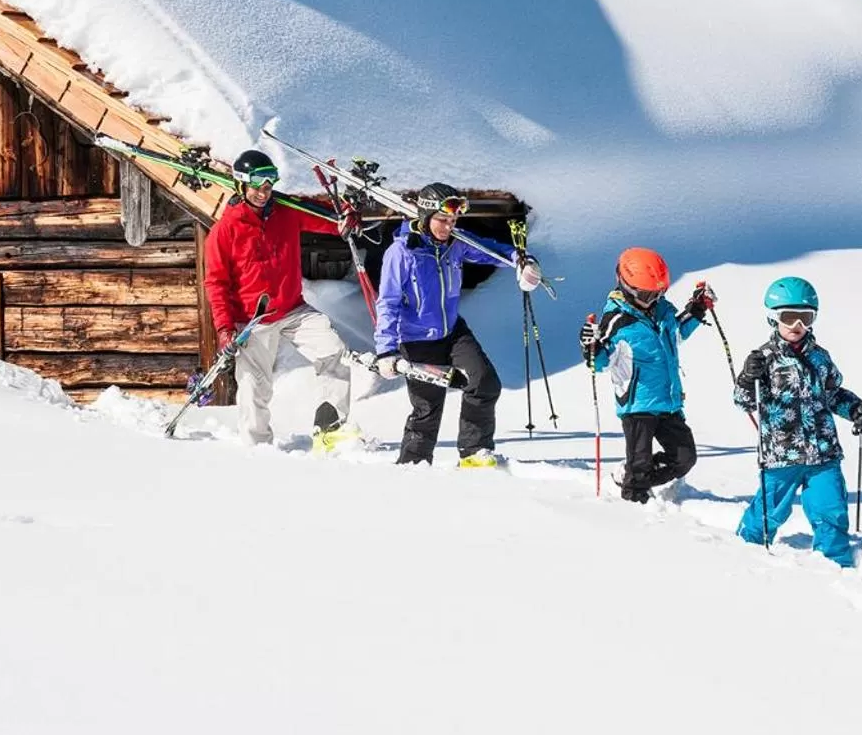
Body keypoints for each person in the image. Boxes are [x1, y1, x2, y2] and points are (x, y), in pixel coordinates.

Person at [202, 149, 369, 449]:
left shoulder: (286, 212)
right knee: (255, 386)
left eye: (269, 184)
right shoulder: (224, 232)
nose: (263, 192)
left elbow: (326, 219)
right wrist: (225, 328)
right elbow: (216, 283)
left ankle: (330, 427)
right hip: (252, 320)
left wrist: (346, 217)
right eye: (257, 185)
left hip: (293, 309)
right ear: (241, 184)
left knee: (333, 350)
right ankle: (256, 448)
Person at [372, 182, 541, 467]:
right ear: (426, 216)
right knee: (427, 409)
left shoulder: (455, 243)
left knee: (484, 383)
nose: (449, 226)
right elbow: (387, 303)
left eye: (453, 220)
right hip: (416, 339)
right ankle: (412, 467)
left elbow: (488, 250)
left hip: (452, 332)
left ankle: (474, 453)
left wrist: (520, 260)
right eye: (442, 220)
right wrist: (386, 350)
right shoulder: (402, 253)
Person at [731, 276, 862, 567]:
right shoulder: (764, 359)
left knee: (830, 509)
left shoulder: (820, 358)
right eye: (789, 317)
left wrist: (855, 409)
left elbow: (833, 394)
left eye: (805, 318)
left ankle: (835, 563)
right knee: (770, 510)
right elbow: (744, 402)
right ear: (773, 318)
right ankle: (745, 550)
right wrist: (747, 378)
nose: (797, 325)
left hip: (823, 452)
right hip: (781, 455)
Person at [579, 249, 714, 503]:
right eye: (647, 295)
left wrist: (696, 310)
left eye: (659, 293)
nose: (654, 299)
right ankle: (634, 497)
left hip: (668, 400)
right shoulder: (617, 321)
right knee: (640, 466)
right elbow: (601, 362)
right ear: (626, 287)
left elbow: (676, 332)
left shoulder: (662, 310)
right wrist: (590, 347)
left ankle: (630, 475)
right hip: (637, 404)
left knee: (684, 458)